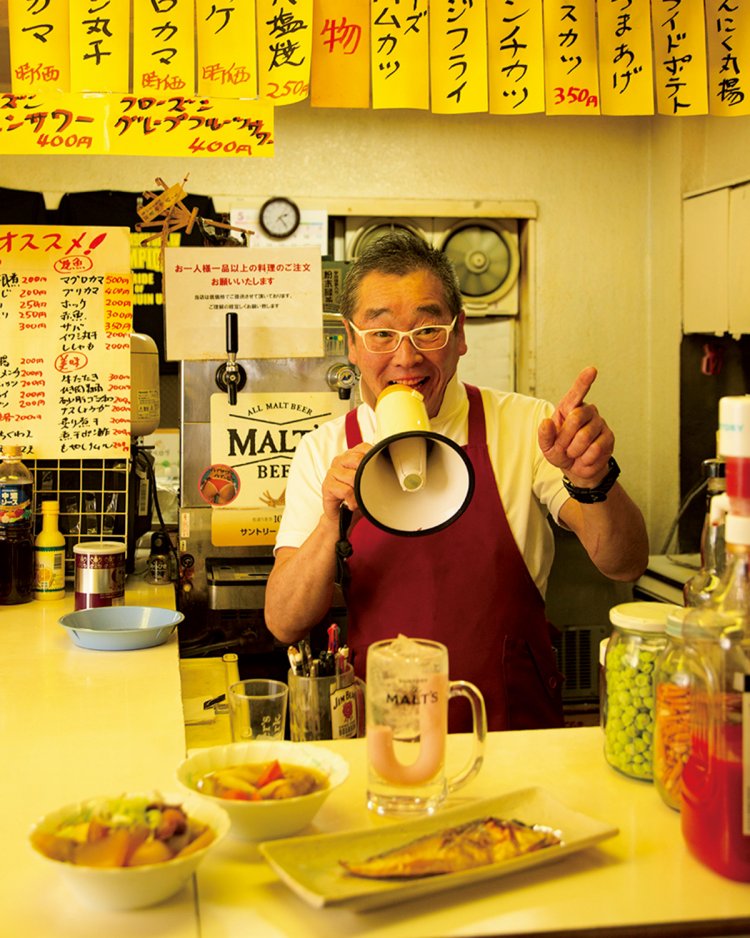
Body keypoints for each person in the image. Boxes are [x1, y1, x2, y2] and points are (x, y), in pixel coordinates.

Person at [265, 231, 649, 731]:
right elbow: (284, 622)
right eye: (381, 334)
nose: (406, 358)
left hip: (514, 731)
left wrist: (593, 479)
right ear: (352, 342)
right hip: (384, 736)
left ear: (460, 333)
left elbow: (625, 563)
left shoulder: (526, 426)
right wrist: (328, 522)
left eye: (428, 330)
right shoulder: (324, 450)